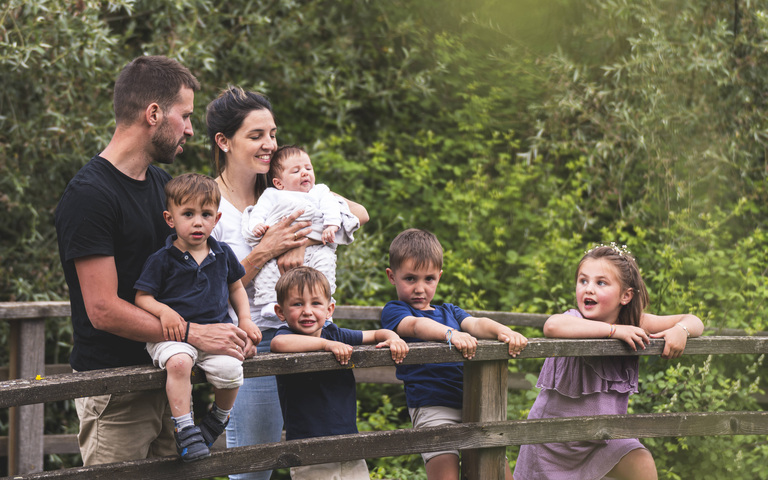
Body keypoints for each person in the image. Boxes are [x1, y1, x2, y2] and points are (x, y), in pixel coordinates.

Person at [55, 56, 250, 466]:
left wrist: (234, 326)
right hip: (117, 389)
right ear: (154, 113)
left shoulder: (165, 187)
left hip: (173, 382)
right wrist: (196, 334)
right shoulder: (91, 195)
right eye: (186, 116)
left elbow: (202, 267)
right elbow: (103, 309)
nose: (191, 129)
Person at [205, 85, 369, 480]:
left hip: (307, 335)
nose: (269, 144)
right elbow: (206, 292)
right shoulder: (208, 204)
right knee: (254, 469)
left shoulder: (285, 187)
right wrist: (266, 251)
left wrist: (303, 239)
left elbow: (359, 213)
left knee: (320, 455)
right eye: (256, 135)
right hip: (253, 346)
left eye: (273, 134)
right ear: (224, 141)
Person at [513, 243, 704, 480]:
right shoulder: (574, 319)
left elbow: (695, 320)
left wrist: (681, 330)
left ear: (626, 296)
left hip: (603, 438)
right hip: (554, 442)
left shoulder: (634, 322)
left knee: (641, 461)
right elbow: (552, 326)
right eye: (583, 281)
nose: (589, 289)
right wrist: (614, 331)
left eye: (601, 283)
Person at [380, 228, 528, 480]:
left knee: (497, 473)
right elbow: (415, 326)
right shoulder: (395, 311)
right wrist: (450, 334)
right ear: (392, 276)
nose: (420, 288)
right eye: (410, 279)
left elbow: (477, 323)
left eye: (429, 279)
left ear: (439, 276)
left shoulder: (450, 311)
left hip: (473, 402)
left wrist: (504, 331)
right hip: (432, 405)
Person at [134, 173, 262, 461]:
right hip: (173, 336)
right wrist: (164, 311)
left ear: (216, 219)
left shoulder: (222, 253)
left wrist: (245, 319)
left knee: (232, 370)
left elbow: (236, 288)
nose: (198, 222)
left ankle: (218, 419)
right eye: (188, 214)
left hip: (216, 334)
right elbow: (142, 298)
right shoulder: (162, 259)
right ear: (170, 219)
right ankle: (185, 429)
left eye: (206, 214)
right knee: (179, 363)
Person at [270, 266, 409, 480]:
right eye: (297, 304)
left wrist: (393, 338)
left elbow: (376, 334)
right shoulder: (286, 335)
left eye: (315, 303)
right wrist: (326, 345)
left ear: (329, 309)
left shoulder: (336, 334)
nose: (307, 311)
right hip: (309, 449)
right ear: (281, 312)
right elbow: (279, 344)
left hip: (349, 443)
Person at [241, 144, 360, 317]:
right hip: (279, 249)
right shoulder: (272, 194)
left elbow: (332, 207)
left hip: (316, 246)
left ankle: (324, 301)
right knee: (269, 270)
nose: (304, 173)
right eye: (296, 171)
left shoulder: (319, 191)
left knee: (325, 263)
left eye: (308, 168)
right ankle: (270, 301)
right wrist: (257, 225)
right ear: (279, 183)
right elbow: (260, 211)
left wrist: (331, 225)